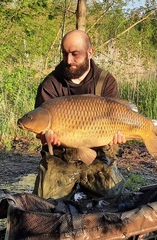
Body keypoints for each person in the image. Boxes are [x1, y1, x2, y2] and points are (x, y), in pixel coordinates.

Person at [33, 29, 127, 200]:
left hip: (98, 157)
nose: (68, 61)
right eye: (65, 54)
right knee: (46, 203)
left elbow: (117, 118)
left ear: (90, 52)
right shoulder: (50, 84)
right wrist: (46, 137)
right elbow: (40, 129)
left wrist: (117, 135)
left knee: (114, 198)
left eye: (75, 54)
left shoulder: (105, 81)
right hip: (61, 158)